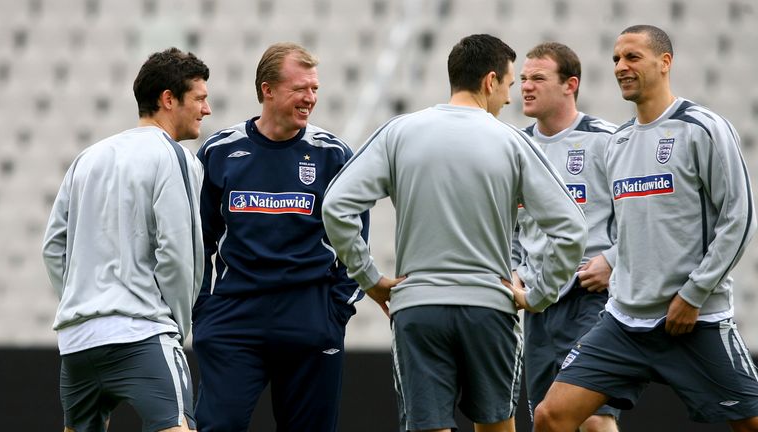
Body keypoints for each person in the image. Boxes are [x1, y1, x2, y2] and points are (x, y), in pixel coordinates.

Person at [322, 34, 588, 432]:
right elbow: (570, 230)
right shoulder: (512, 141)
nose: (509, 98)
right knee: (496, 426)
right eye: (509, 86)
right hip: (490, 307)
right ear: (489, 81)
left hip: (419, 306)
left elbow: (335, 206)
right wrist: (539, 295)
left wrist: (371, 279)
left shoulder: (400, 131)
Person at [531, 25, 758, 431]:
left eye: (632, 57)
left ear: (664, 62)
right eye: (616, 59)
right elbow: (629, 228)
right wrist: (614, 263)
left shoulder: (702, 127)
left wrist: (693, 294)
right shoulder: (617, 142)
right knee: (550, 416)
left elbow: (740, 218)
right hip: (623, 322)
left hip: (694, 318)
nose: (621, 67)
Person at [192, 42, 367, 432]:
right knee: (216, 427)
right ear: (267, 89)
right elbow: (198, 240)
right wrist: (203, 308)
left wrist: (336, 311)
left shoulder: (334, 155)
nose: (310, 98)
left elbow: (356, 241)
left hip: (310, 316)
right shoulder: (220, 152)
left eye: (315, 89)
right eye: (300, 88)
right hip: (234, 317)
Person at [42, 47, 211, 432]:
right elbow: (179, 253)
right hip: (141, 333)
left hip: (78, 341)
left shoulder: (88, 157)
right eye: (200, 98)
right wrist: (175, 326)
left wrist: (81, 300)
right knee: (176, 426)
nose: (207, 109)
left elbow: (53, 245)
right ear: (169, 99)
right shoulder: (176, 157)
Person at [513, 42, 619, 432]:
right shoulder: (515, 146)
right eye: (523, 79)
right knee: (547, 418)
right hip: (537, 306)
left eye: (538, 78)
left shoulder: (608, 141)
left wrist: (613, 260)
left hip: (590, 296)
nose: (525, 86)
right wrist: (512, 270)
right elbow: (508, 225)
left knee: (592, 416)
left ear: (569, 84)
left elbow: (639, 218)